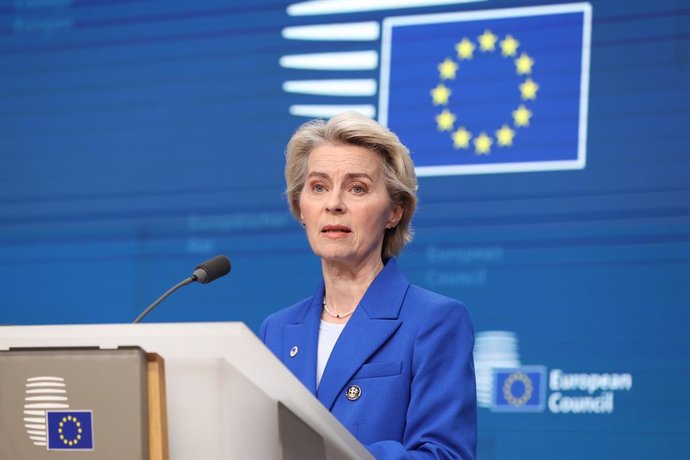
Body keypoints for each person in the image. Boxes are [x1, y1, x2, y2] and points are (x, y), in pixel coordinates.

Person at [260, 112, 477, 459]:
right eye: (318, 187)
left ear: (395, 211)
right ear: (301, 208)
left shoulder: (435, 321)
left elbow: (445, 455)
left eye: (357, 188)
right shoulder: (278, 329)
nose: (333, 204)